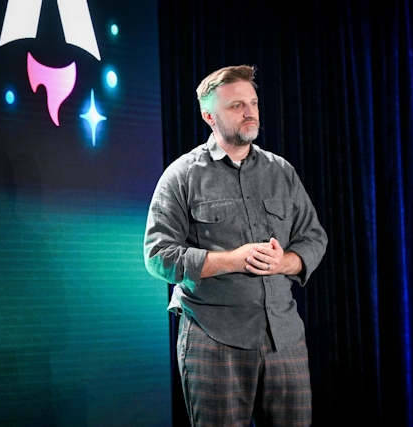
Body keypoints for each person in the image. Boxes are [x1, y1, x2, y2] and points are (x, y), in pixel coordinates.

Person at [144, 65, 327, 427]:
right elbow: (158, 256)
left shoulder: (281, 172)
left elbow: (314, 237)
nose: (249, 112)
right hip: (214, 339)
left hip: (284, 337)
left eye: (253, 103)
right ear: (208, 115)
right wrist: (231, 260)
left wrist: (286, 262)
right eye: (236, 106)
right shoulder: (183, 175)